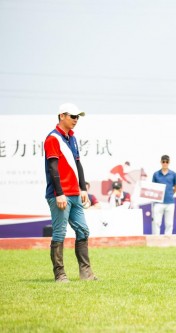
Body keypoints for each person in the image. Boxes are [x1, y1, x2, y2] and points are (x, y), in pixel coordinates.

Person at [44, 103, 97, 282]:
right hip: (59, 195)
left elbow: (78, 165)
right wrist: (59, 193)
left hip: (75, 194)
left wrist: (83, 188)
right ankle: (60, 275)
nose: (76, 120)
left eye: (77, 117)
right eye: (72, 116)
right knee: (59, 233)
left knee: (83, 230)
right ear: (62, 116)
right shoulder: (52, 138)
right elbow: (53, 168)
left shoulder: (72, 138)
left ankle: (86, 273)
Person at [151, 155, 176, 235]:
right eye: (163, 161)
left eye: (167, 162)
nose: (165, 163)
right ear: (161, 162)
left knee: (169, 223)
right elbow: (153, 187)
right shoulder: (156, 174)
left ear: (169, 162)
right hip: (158, 202)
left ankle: (168, 240)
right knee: (156, 222)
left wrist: (170, 194)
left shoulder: (173, 174)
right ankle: (156, 239)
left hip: (170, 202)